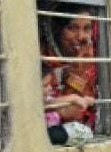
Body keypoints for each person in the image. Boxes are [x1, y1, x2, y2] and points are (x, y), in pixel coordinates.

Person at [40, 9, 98, 145]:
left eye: (87, 28)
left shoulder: (91, 60)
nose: (82, 36)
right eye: (72, 28)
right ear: (57, 30)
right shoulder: (41, 63)